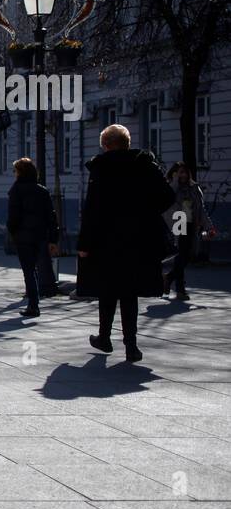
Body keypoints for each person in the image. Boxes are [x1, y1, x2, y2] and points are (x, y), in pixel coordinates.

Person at [77, 124, 175, 362]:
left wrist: (84, 243)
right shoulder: (145, 165)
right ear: (127, 143)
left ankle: (104, 337)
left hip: (106, 240)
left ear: (107, 145)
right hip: (139, 239)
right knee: (130, 291)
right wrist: (147, 212)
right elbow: (168, 196)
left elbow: (92, 209)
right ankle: (131, 345)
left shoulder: (101, 168)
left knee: (107, 289)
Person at [6, 158, 58, 318]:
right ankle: (35, 301)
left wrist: (12, 231)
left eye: (15, 171)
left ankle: (33, 304)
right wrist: (53, 239)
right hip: (40, 235)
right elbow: (51, 215)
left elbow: (13, 215)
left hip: (23, 236)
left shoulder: (16, 190)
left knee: (28, 271)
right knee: (36, 267)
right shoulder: (42, 190)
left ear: (20, 172)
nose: (14, 174)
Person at [165, 162, 215, 301]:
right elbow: (167, 199)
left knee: (187, 256)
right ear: (175, 174)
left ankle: (168, 278)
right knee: (181, 256)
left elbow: (201, 210)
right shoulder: (172, 187)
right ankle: (180, 290)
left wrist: (209, 227)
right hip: (178, 222)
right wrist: (174, 180)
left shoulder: (194, 188)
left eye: (185, 172)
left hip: (192, 224)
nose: (183, 175)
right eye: (180, 172)